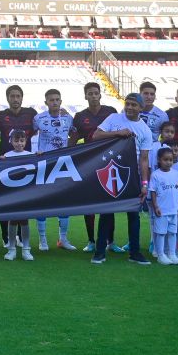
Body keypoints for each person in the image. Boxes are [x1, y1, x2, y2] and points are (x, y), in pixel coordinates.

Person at [90, 92, 152, 265]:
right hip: (110, 171)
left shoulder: (145, 130)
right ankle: (100, 251)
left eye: (134, 105)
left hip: (132, 174)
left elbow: (144, 159)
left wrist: (144, 184)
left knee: (133, 215)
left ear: (141, 108)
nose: (130, 107)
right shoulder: (113, 118)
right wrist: (118, 133)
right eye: (128, 104)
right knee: (106, 213)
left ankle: (134, 252)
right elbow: (96, 136)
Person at [72, 81, 117, 252]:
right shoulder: (80, 116)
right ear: (85, 96)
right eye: (89, 93)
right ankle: (91, 241)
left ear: (100, 94)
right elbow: (74, 139)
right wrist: (67, 155)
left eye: (95, 93)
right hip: (89, 163)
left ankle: (110, 241)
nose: (93, 96)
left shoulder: (111, 112)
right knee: (89, 202)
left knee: (109, 201)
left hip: (109, 162)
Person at [31, 88, 77, 251]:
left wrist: (70, 149)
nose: (55, 102)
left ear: (61, 101)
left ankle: (63, 239)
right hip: (44, 165)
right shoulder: (38, 119)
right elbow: (30, 135)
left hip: (63, 165)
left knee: (64, 202)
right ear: (46, 103)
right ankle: (42, 240)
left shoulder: (68, 118)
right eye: (51, 100)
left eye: (57, 99)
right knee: (43, 202)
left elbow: (75, 135)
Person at [0, 132, 35, 261]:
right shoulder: (7, 156)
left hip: (26, 192)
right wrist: (1, 161)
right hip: (12, 193)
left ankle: (26, 249)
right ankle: (11, 249)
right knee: (13, 219)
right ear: (11, 141)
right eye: (16, 141)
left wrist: (41, 156)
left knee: (24, 220)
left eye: (22, 141)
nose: (19, 143)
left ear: (25, 141)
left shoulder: (30, 155)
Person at [149, 146, 178, 265]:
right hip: (162, 210)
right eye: (166, 160)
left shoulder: (176, 174)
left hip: (173, 209)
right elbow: (152, 192)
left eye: (171, 160)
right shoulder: (155, 175)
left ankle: (172, 254)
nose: (169, 162)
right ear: (159, 160)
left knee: (172, 233)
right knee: (161, 233)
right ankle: (160, 255)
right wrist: (156, 207)